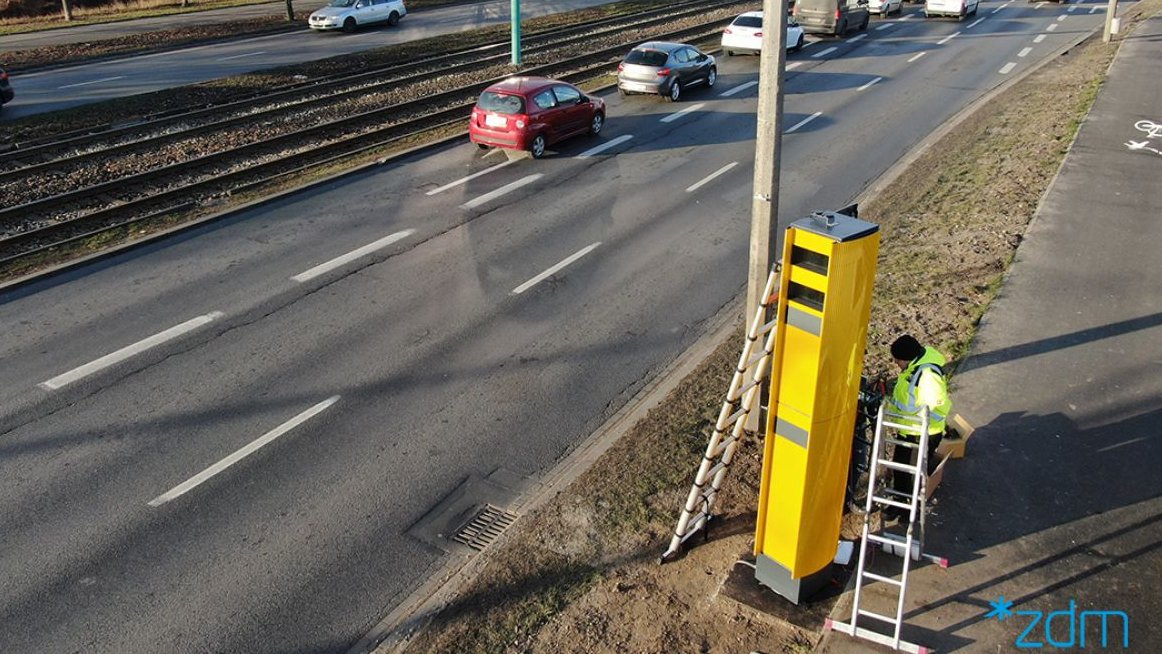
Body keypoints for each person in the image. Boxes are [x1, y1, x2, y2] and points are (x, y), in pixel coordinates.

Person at [884, 334, 952, 520]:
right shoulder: (914, 367)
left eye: (897, 360)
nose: (896, 363)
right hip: (908, 430)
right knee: (900, 467)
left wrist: (918, 421)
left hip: (923, 432)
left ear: (906, 358)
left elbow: (936, 405)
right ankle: (898, 502)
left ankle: (910, 509)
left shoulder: (927, 375)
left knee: (913, 474)